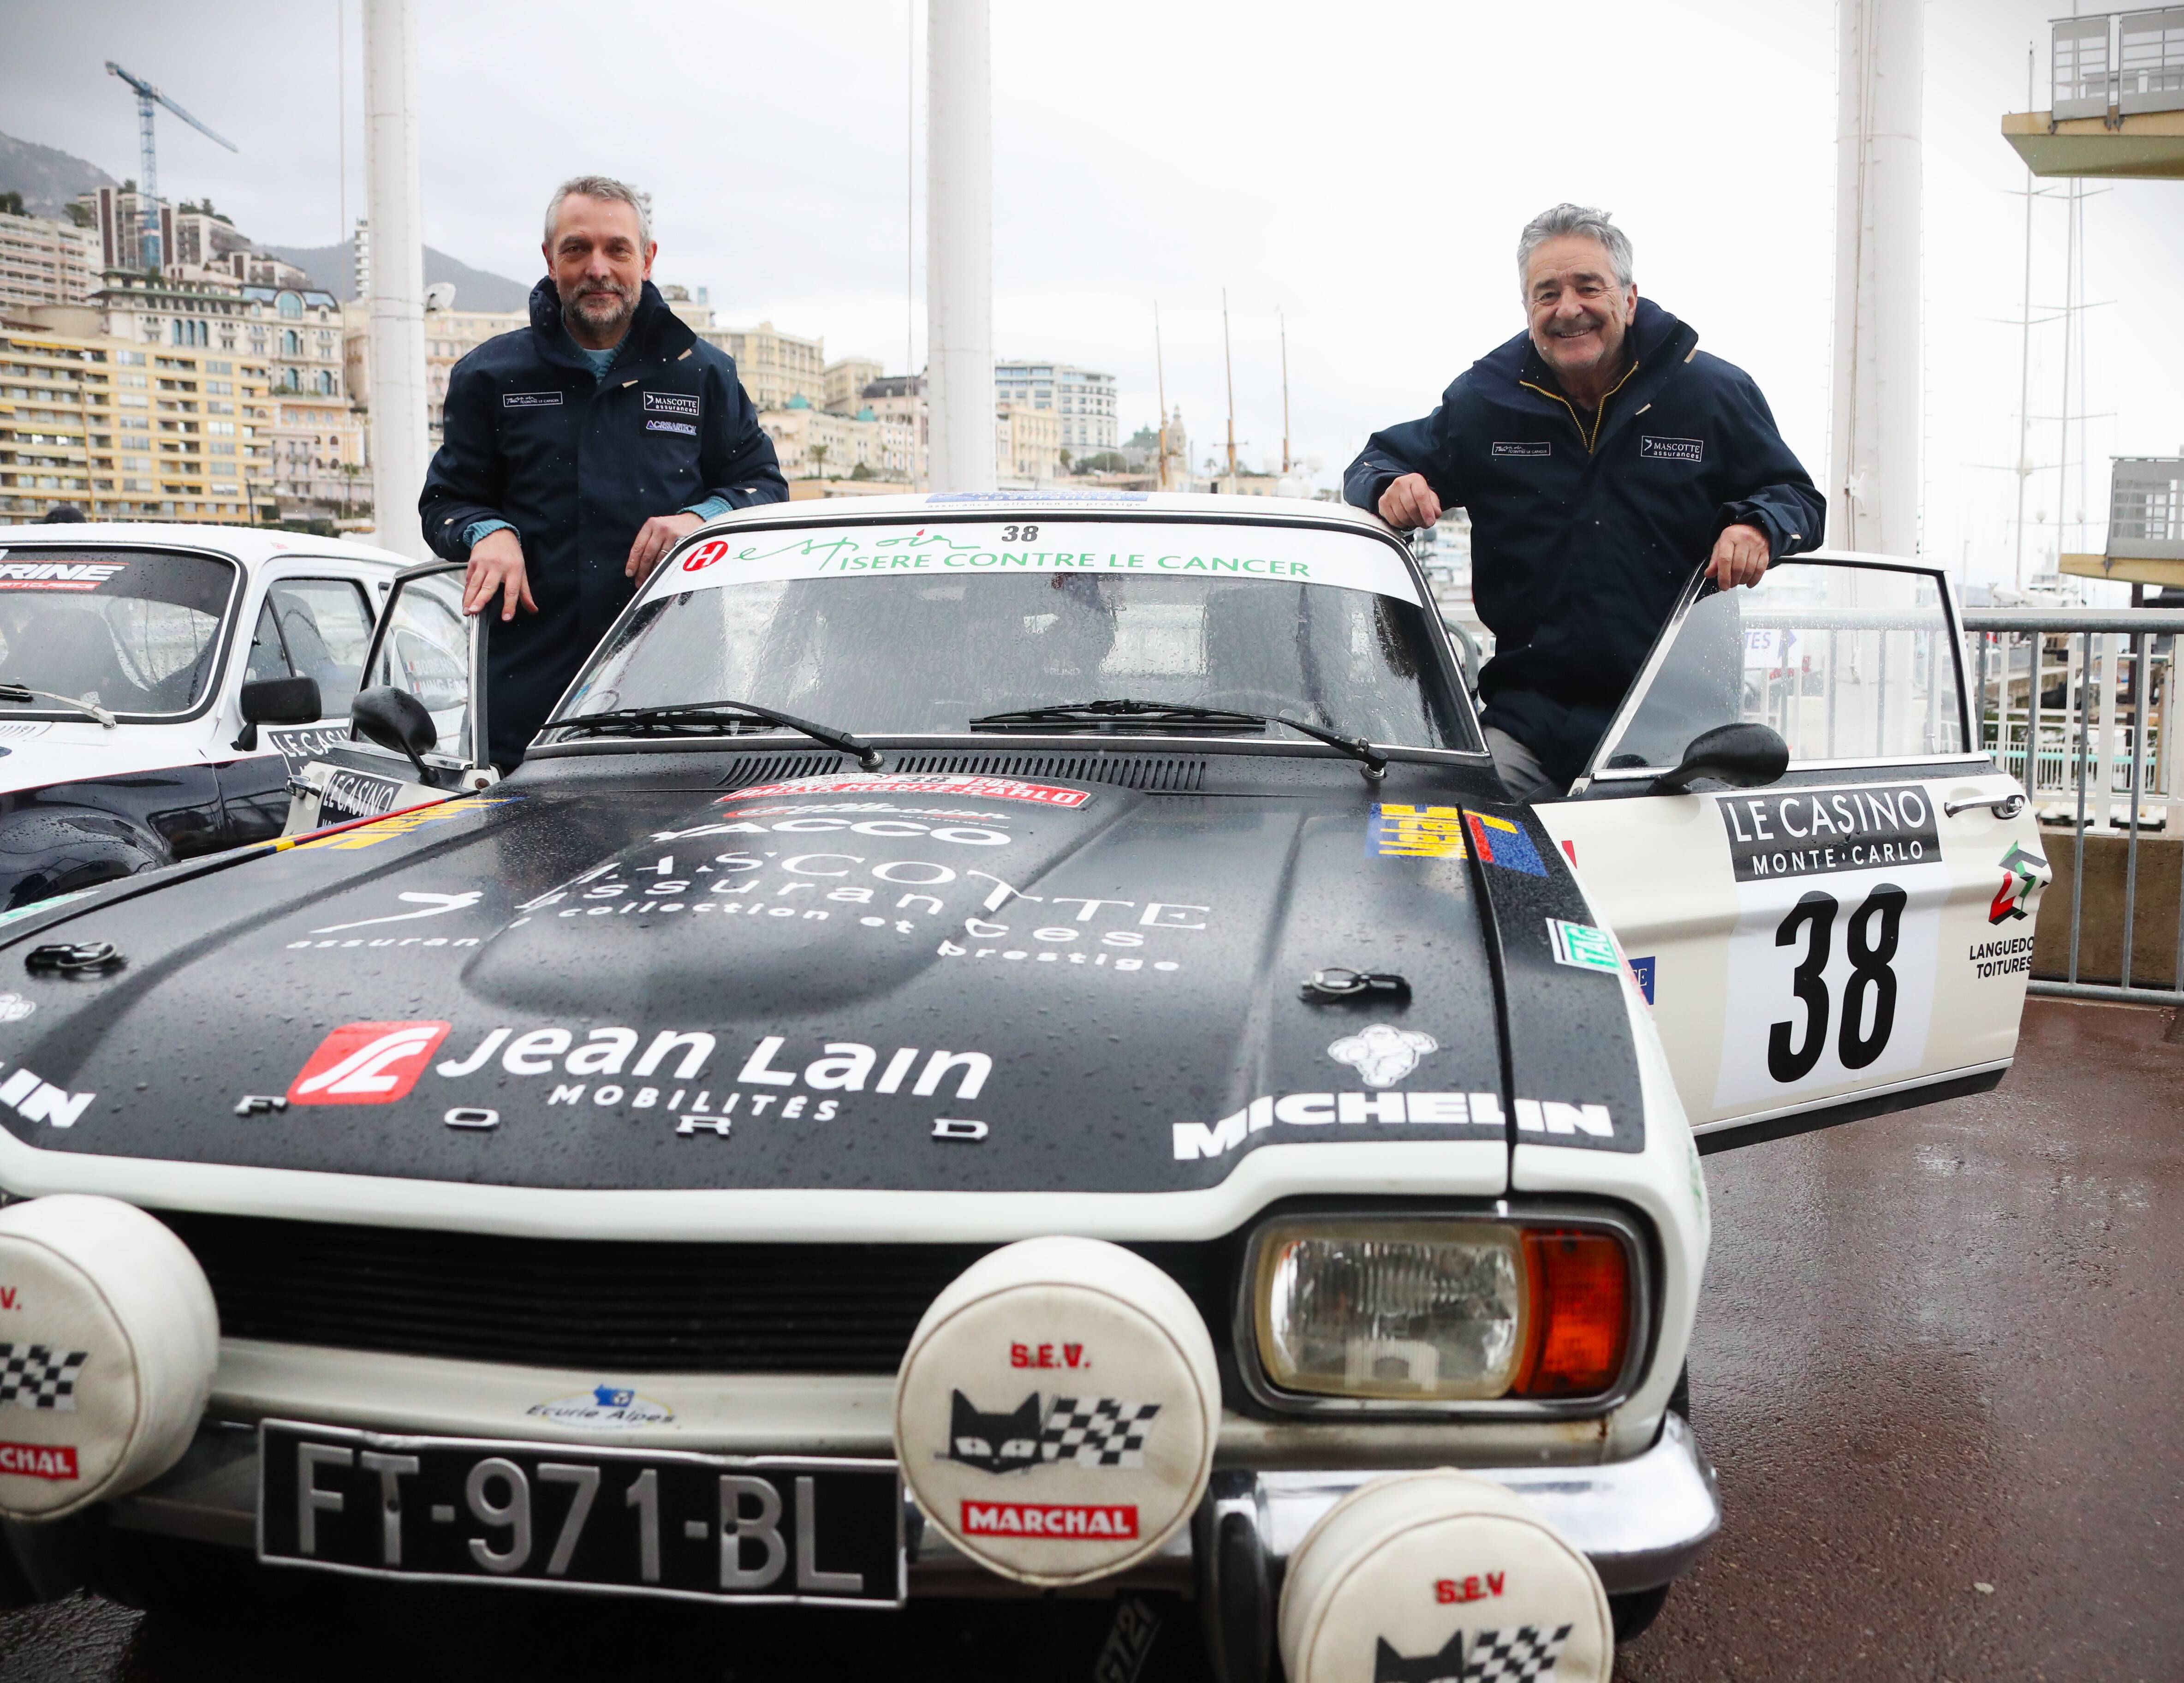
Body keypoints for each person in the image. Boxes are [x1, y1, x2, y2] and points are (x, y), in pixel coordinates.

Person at [1345, 203, 1823, 801]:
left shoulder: (1711, 393)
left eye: (1587, 287)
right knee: (1444, 841)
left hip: (1679, 729)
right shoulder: (1485, 403)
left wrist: (1760, 527)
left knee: (1663, 884)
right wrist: (1390, 489)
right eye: (1547, 294)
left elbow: (1798, 497)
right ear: (1527, 309)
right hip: (1530, 724)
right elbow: (1372, 463)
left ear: (1628, 298)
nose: (1567, 308)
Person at [420, 174, 787, 768]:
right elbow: (443, 504)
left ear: (647, 258)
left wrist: (701, 519)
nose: (598, 268)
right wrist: (487, 532)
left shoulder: (703, 374)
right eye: (577, 249)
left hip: (678, 699)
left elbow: (765, 488)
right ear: (549, 259)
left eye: (617, 249)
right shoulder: (489, 375)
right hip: (524, 707)